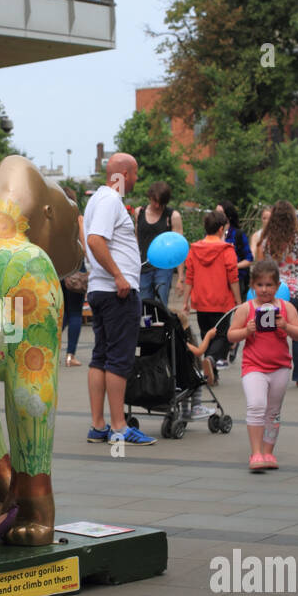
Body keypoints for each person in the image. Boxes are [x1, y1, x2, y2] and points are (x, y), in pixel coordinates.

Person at [85, 152, 155, 445]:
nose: (137, 179)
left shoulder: (96, 200)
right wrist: (118, 275)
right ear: (124, 174)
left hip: (103, 289)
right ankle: (118, 426)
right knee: (118, 358)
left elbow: (87, 236)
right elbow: (95, 240)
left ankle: (100, 425)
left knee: (101, 355)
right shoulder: (110, 201)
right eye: (135, 173)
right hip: (116, 292)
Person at [228, 259, 298, 472]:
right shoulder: (246, 309)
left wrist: (285, 325)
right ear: (253, 286)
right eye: (260, 285)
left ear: (278, 286)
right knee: (255, 405)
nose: (264, 289)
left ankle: (268, 451)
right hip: (253, 366)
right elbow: (231, 335)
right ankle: (256, 453)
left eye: (269, 285)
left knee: (273, 411)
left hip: (280, 367)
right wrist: (247, 331)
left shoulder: (286, 308)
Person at [254, 200, 298, 388]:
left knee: (268, 333)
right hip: (297, 291)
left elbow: (259, 266)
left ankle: (267, 371)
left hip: (271, 292)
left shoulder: (264, 240)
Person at [179, 210, 239, 371]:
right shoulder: (227, 250)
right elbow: (233, 278)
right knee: (223, 336)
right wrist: (238, 301)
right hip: (222, 302)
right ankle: (212, 360)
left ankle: (211, 372)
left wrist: (185, 301)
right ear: (221, 229)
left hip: (201, 301)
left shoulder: (194, 249)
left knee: (207, 334)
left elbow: (189, 277)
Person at [135, 181, 182, 308]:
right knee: (144, 305)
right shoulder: (139, 212)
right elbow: (136, 240)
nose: (156, 205)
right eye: (154, 201)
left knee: (161, 304)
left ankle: (162, 327)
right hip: (144, 265)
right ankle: (147, 328)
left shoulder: (172, 216)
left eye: (160, 203)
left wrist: (180, 277)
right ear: (149, 197)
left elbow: (179, 248)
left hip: (164, 267)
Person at [61, 194, 88, 367]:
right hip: (76, 269)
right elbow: (85, 246)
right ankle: (70, 355)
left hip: (57, 269)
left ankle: (48, 348)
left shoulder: (54, 219)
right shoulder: (77, 219)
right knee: (75, 313)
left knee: (61, 313)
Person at [216, 201, 253, 298]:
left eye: (220, 213)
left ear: (228, 216)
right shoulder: (211, 233)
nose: (216, 215)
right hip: (216, 279)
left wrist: (233, 266)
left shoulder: (238, 234)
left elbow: (249, 259)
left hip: (236, 279)